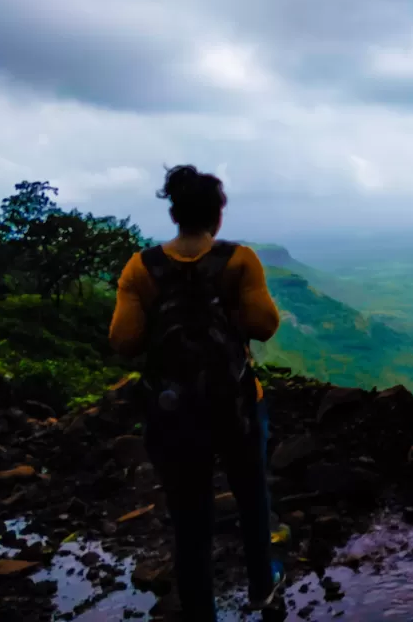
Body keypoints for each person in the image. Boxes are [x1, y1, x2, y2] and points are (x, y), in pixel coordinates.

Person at [108, 164, 285, 619]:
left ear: (174, 214)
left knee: (190, 518)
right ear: (217, 216)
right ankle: (262, 587)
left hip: (172, 412)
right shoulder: (239, 260)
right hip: (238, 405)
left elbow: (124, 342)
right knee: (251, 497)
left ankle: (199, 610)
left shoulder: (141, 267)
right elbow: (264, 325)